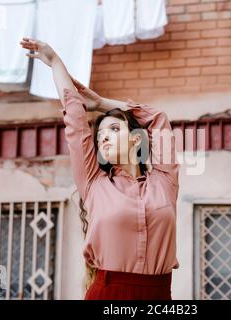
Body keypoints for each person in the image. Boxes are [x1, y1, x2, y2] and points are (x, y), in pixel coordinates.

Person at [20, 37, 180, 300]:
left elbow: (158, 117)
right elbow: (73, 115)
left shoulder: (164, 180)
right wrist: (55, 62)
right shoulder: (94, 183)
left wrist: (102, 103)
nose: (103, 136)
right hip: (108, 295)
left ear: (136, 139)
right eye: (100, 134)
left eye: (114, 129)